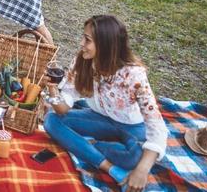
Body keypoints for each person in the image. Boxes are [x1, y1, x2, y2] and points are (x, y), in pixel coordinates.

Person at [43, 15, 168, 192]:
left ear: (105, 45)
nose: (81, 43)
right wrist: (53, 89)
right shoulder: (82, 61)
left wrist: (141, 170)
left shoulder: (133, 75)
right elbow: (63, 109)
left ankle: (92, 146)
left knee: (135, 159)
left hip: (132, 127)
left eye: (87, 40)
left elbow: (157, 127)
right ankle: (110, 167)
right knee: (51, 121)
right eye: (83, 37)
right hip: (99, 118)